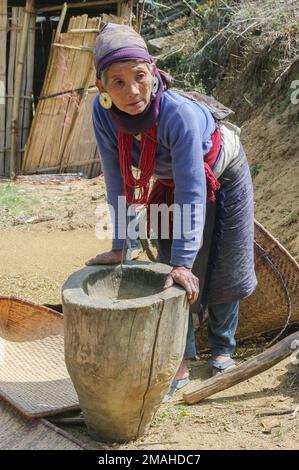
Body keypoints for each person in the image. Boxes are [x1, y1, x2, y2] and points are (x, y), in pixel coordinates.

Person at [86, 23, 257, 391]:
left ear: (153, 70)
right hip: (168, 180)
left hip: (220, 173)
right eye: (117, 82)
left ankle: (223, 350)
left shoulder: (176, 113)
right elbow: (117, 178)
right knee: (168, 267)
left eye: (139, 77)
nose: (132, 91)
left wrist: (185, 261)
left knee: (222, 261)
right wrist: (122, 245)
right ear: (101, 87)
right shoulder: (102, 114)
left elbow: (193, 190)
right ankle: (179, 358)